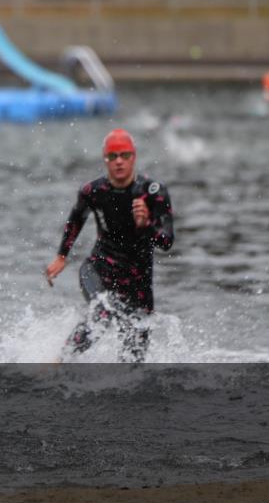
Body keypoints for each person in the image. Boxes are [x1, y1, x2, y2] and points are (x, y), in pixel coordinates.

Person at [45, 129, 174, 363]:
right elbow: (76, 218)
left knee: (133, 362)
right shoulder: (92, 191)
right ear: (105, 159)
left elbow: (166, 242)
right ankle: (57, 363)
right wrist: (62, 256)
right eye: (112, 157)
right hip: (99, 269)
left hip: (138, 281)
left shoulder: (153, 192)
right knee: (102, 313)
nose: (119, 162)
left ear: (133, 157)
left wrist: (146, 225)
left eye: (124, 155)